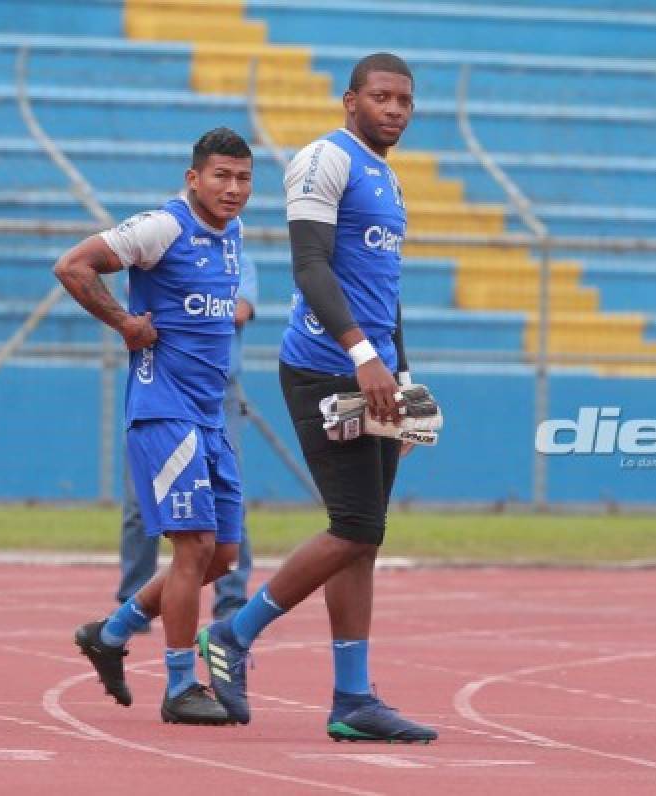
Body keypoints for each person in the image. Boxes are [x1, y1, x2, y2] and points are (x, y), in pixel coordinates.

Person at [197, 53, 438, 743]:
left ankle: (352, 698)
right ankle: (235, 634)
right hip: (324, 368)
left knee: (365, 540)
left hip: (376, 372)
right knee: (356, 525)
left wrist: (403, 378)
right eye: (381, 96)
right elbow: (311, 267)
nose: (394, 109)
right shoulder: (321, 159)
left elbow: (383, 293)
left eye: (404, 101)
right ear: (350, 100)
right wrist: (363, 355)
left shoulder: (389, 181)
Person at [53, 127, 253, 725]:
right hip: (164, 412)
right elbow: (73, 266)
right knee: (191, 547)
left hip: (209, 415)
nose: (233, 188)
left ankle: (110, 634)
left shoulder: (234, 235)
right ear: (193, 179)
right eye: (221, 175)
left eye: (244, 178)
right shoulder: (163, 227)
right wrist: (125, 323)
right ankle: (180, 686)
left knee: (222, 555)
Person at [115, 252, 258, 622]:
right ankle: (133, 599)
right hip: (163, 391)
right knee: (138, 504)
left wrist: (182, 314)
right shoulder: (154, 250)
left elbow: (241, 310)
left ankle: (231, 602)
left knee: (229, 501)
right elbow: (136, 311)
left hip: (218, 393)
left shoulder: (234, 252)